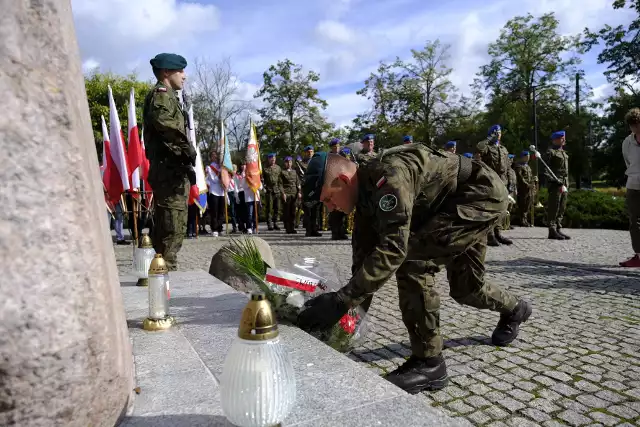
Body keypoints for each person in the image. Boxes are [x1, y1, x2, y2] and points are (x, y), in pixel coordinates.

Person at [298, 145, 532, 394]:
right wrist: (342, 324)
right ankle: (516, 308)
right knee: (467, 289)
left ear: (343, 180)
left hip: (478, 195)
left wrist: (339, 302)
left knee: (413, 263)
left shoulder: (387, 178)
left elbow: (394, 250)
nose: (329, 208)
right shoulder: (364, 200)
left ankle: (429, 363)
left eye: (327, 198)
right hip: (446, 205)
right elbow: (364, 266)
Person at [143, 52, 196, 271]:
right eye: (180, 70)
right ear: (166, 72)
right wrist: (188, 152)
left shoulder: (170, 96)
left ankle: (160, 274)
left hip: (173, 170)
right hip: (169, 172)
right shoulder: (162, 95)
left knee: (172, 226)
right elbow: (166, 126)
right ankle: (163, 278)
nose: (184, 76)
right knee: (171, 228)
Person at [476, 125, 512, 246]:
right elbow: (479, 148)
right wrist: (488, 138)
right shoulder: (487, 147)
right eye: (495, 132)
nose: (498, 134)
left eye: (500, 132)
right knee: (491, 208)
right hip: (491, 180)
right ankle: (490, 234)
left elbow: (508, 168)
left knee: (502, 209)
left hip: (503, 181)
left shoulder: (503, 149)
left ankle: (498, 232)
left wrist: (511, 182)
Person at [620, 108, 640, 267]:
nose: (635, 128)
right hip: (634, 185)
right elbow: (628, 162)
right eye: (633, 125)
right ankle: (638, 255)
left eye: (638, 124)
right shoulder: (627, 142)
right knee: (634, 221)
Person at [544, 131, 570, 240]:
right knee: (554, 207)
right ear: (555, 140)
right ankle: (552, 230)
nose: (563, 140)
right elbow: (545, 169)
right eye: (561, 138)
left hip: (564, 183)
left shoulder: (563, 152)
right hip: (555, 184)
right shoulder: (551, 152)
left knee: (562, 207)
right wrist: (555, 181)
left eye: (564, 138)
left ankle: (558, 227)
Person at [298, 146, 322, 237]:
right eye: (308, 152)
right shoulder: (301, 164)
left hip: (315, 190)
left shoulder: (317, 163)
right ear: (305, 153)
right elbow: (299, 178)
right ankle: (308, 230)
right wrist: (300, 191)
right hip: (306, 190)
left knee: (315, 211)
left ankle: (314, 230)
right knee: (308, 211)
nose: (310, 153)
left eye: (311, 152)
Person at [328, 138, 348, 240]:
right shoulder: (329, 158)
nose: (337, 148)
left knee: (342, 211)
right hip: (333, 186)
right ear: (331, 147)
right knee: (334, 211)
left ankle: (341, 231)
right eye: (334, 146)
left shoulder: (343, 156)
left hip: (343, 187)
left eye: (338, 146)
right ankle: (335, 233)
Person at [206, 151, 225, 237]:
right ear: (211, 157)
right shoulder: (209, 168)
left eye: (216, 155)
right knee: (214, 212)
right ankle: (214, 229)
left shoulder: (222, 167)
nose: (215, 157)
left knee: (221, 211)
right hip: (214, 191)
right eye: (213, 156)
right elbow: (213, 180)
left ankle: (220, 227)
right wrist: (220, 174)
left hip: (221, 191)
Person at [281, 156, 301, 234]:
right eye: (287, 162)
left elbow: (298, 182)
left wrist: (299, 192)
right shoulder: (282, 172)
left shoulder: (294, 172)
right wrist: (283, 193)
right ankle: (287, 227)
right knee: (286, 212)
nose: (289, 164)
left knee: (293, 212)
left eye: (290, 162)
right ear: (285, 163)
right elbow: (280, 184)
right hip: (287, 194)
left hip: (294, 193)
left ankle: (292, 227)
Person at [514, 151, 534, 227]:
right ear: (522, 157)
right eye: (526, 156)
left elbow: (530, 177)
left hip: (529, 188)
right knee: (522, 204)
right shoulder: (519, 166)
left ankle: (525, 220)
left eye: (528, 156)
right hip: (522, 188)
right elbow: (520, 178)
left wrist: (533, 184)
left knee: (527, 204)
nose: (528, 158)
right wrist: (528, 185)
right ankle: (521, 220)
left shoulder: (528, 167)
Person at [263, 153, 282, 231]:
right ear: (268, 159)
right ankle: (269, 224)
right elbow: (262, 180)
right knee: (269, 208)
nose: (273, 160)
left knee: (277, 207)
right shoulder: (265, 168)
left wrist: (281, 190)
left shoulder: (278, 168)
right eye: (271, 158)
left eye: (274, 158)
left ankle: (276, 223)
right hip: (269, 190)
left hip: (277, 190)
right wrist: (263, 187)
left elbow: (280, 180)